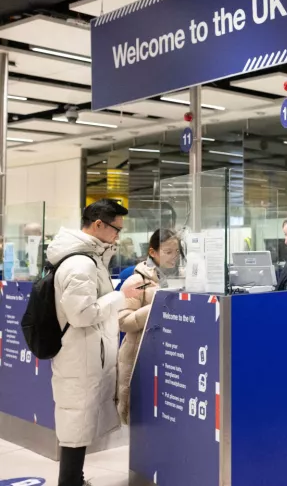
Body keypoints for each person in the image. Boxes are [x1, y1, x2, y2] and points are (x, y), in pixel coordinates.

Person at [47, 199, 144, 486]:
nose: (118, 236)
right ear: (98, 224)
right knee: (76, 423)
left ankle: (74, 479)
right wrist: (120, 295)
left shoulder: (87, 258)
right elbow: (81, 314)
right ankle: (70, 482)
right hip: (79, 354)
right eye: (116, 229)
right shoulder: (80, 264)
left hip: (84, 353)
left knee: (78, 420)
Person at [117, 228, 182, 425]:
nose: (174, 257)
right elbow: (123, 321)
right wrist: (155, 308)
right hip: (138, 355)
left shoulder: (183, 278)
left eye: (177, 252)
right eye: (168, 252)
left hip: (169, 356)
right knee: (138, 415)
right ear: (153, 253)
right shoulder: (137, 281)